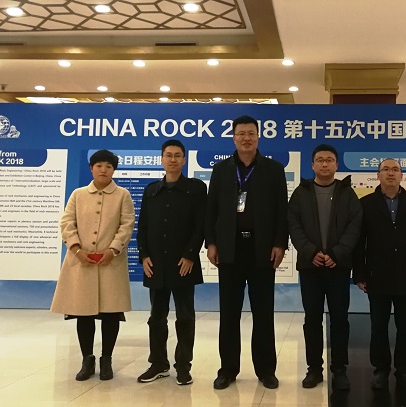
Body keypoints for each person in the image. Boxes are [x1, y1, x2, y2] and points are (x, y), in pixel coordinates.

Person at [205, 115, 288, 390]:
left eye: (251, 133)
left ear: (258, 136)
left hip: (262, 250)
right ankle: (227, 369)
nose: (246, 138)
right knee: (229, 313)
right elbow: (211, 209)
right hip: (229, 250)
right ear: (234, 138)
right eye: (241, 134)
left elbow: (282, 211)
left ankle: (266, 370)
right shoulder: (221, 170)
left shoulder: (273, 170)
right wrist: (212, 243)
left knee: (263, 313)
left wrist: (280, 243)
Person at [51, 149, 135, 381]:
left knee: (111, 314)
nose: (103, 170)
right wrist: (77, 249)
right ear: (91, 168)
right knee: (84, 313)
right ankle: (87, 359)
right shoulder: (78, 194)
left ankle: (106, 359)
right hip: (82, 262)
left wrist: (113, 249)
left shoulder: (123, 195)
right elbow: (67, 222)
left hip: (111, 263)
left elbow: (127, 225)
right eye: (99, 165)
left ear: (114, 170)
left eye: (108, 166)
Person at [353, 158, 406, 391]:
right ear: (377, 176)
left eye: (395, 169)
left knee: (405, 326)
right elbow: (359, 242)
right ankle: (380, 369)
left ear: (401, 176)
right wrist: (359, 273)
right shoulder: (365, 204)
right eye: (385, 169)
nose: (390, 173)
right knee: (378, 325)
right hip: (377, 275)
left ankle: (405, 371)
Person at [288, 144, 362, 390]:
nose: (324, 164)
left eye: (329, 160)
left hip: (338, 267)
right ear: (312, 165)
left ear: (336, 165)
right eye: (319, 160)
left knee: (340, 319)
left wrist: (336, 254)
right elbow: (293, 225)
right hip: (310, 267)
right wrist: (310, 252)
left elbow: (354, 226)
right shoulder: (301, 193)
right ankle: (314, 369)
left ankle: (339, 369)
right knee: (312, 319)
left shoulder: (347, 193)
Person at [136, 140, 207, 386]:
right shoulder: (151, 190)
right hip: (155, 264)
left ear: (184, 159)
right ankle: (158, 363)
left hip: (183, 263)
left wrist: (190, 255)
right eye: (168, 155)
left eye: (178, 155)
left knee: (185, 317)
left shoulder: (195, 188)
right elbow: (143, 225)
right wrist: (144, 255)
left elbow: (200, 225)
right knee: (156, 317)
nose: (173, 159)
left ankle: (183, 366)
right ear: (162, 159)